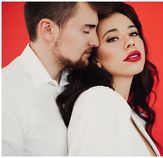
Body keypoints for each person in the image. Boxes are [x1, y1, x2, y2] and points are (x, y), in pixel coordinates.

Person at [56, 2, 161, 156]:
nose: (130, 42)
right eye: (113, 38)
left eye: (133, 33)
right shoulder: (98, 99)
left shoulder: (134, 115)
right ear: (95, 57)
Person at [2, 2, 105, 156]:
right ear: (48, 30)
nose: (96, 41)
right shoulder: (6, 92)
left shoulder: (81, 79)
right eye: (86, 30)